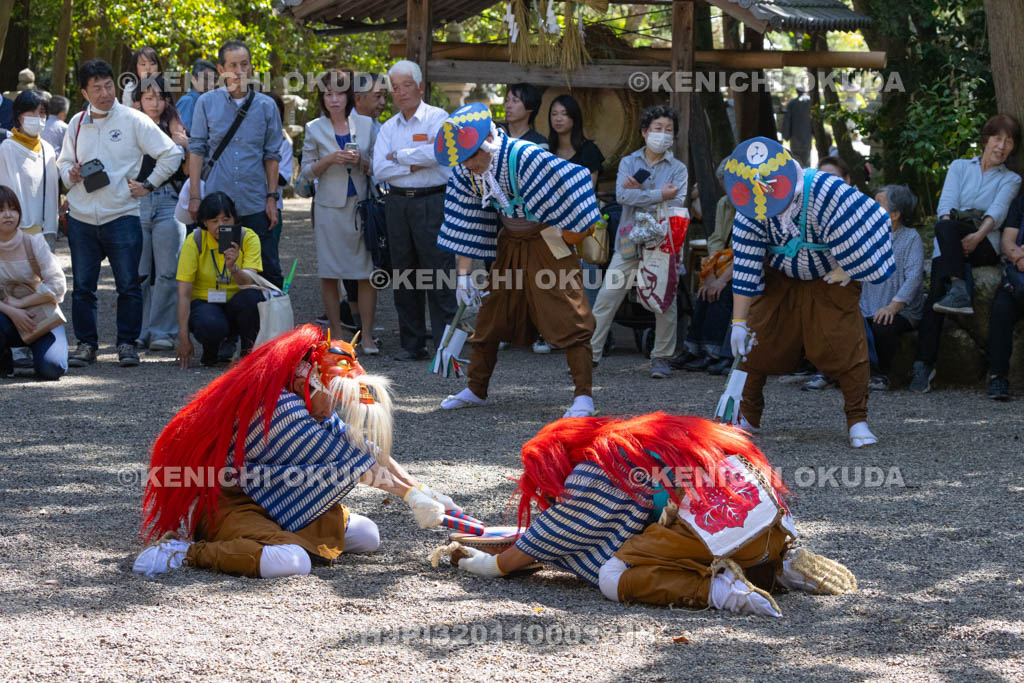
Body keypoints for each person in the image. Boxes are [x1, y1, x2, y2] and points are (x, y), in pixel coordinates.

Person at [441, 413, 856, 616]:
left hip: (717, 533)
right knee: (670, 538)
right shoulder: (643, 439)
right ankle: (779, 565)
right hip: (768, 523)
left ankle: (718, 589)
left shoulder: (597, 468)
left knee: (614, 576)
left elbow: (555, 532)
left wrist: (490, 564)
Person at [134, 325, 460, 579]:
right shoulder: (281, 409)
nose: (334, 408)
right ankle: (185, 552)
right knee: (291, 561)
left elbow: (365, 448)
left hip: (274, 496)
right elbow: (357, 465)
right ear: (314, 381)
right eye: (333, 397)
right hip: (231, 504)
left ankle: (280, 535)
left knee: (367, 536)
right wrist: (411, 497)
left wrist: (421, 490)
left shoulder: (307, 398)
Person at [435, 103, 602, 418]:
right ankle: (476, 388)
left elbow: (574, 184)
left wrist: (574, 229)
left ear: (486, 143)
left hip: (548, 238)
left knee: (570, 312)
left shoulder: (526, 157)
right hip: (510, 242)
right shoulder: (465, 170)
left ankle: (583, 397)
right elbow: (465, 224)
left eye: (471, 156)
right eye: (461, 158)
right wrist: (463, 276)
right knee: (491, 313)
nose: (467, 164)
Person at [725, 137, 894, 448]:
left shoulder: (826, 190)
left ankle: (857, 420)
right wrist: (738, 323)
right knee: (755, 337)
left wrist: (850, 267)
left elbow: (876, 221)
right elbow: (746, 266)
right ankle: (747, 416)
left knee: (845, 341)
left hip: (831, 272)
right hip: (779, 273)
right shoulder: (748, 204)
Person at [56, 59, 183, 368]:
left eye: (108, 85)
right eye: (96, 88)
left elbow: (172, 153)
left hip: (123, 215)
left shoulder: (133, 119)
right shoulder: (76, 123)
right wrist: (69, 173)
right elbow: (62, 165)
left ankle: (127, 344)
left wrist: (148, 185)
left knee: (129, 284)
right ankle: (87, 344)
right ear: (84, 92)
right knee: (83, 288)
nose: (104, 93)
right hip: (82, 217)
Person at [910, 114, 1022, 393]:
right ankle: (924, 364)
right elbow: (946, 204)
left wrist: (977, 236)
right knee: (936, 293)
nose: (1002, 145)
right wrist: (953, 233)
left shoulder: (1011, 178)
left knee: (946, 248)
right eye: (997, 138)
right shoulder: (960, 166)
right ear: (986, 140)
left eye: (1008, 141)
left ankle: (958, 287)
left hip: (984, 243)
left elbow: (997, 210)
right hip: (951, 242)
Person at [589, 105, 686, 379]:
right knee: (608, 295)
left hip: (662, 242)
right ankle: (590, 354)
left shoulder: (678, 168)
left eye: (668, 130)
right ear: (644, 132)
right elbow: (622, 197)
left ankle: (661, 357)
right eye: (657, 129)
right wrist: (657, 194)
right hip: (629, 239)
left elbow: (677, 201)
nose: (663, 134)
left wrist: (642, 191)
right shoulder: (629, 163)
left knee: (665, 301)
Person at [372, 60, 455, 361]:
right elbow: (379, 168)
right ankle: (412, 343)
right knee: (404, 274)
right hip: (397, 204)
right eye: (395, 87)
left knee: (438, 273)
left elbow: (439, 152)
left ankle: (446, 347)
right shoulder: (388, 127)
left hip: (433, 201)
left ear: (420, 86)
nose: (401, 92)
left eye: (407, 85)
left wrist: (401, 156)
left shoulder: (438, 117)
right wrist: (414, 161)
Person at [188, 40, 284, 287]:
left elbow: (272, 155)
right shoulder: (206, 103)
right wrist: (196, 197)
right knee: (223, 270)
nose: (240, 71)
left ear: (251, 67)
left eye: (244, 64)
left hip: (255, 202)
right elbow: (196, 150)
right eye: (233, 65)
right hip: (220, 206)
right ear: (221, 70)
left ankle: (269, 324)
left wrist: (272, 197)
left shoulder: (266, 106)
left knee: (266, 270)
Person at [302, 70, 378, 353]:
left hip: (361, 207)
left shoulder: (368, 124)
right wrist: (329, 159)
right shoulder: (313, 128)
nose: (334, 99)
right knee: (330, 272)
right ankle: (336, 335)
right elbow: (306, 173)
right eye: (328, 94)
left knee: (366, 272)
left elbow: (379, 168)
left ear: (349, 96)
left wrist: (362, 160)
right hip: (328, 207)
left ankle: (367, 336)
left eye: (339, 93)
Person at [132, 76, 189, 351]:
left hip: (169, 200)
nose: (154, 103)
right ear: (139, 100)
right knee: (138, 272)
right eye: (148, 97)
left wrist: (186, 143)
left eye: (159, 97)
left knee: (168, 271)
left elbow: (189, 170)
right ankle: (138, 331)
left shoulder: (175, 126)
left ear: (167, 99)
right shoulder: (129, 124)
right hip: (136, 201)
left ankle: (162, 331)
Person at [175, 192, 263, 368]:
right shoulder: (195, 241)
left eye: (226, 220)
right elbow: (184, 293)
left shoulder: (248, 238)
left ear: (234, 219)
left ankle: (248, 355)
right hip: (205, 302)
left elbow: (250, 283)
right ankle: (211, 350)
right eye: (214, 221)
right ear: (204, 223)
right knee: (210, 323)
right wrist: (183, 340)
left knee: (253, 298)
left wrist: (234, 268)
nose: (220, 226)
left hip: (237, 301)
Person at [860, 185, 924, 391]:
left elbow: (914, 278)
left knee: (882, 325)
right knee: (853, 323)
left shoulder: (911, 238)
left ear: (895, 214)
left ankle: (880, 374)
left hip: (902, 309)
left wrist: (892, 307)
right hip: (866, 304)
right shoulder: (866, 234)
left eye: (879, 203)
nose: (871, 206)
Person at [0, 186, 67, 380]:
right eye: (1, 210)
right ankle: (5, 360)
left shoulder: (33, 241)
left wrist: (21, 304)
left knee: (53, 368)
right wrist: (13, 311)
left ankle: (41, 352)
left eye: (12, 208)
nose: (8, 215)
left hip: (40, 315)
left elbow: (58, 285)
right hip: (5, 315)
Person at [677, 157, 734, 375]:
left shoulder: (753, 207)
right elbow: (716, 238)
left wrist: (721, 279)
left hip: (743, 265)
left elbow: (747, 252)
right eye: (724, 182)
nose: (727, 187)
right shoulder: (724, 203)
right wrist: (711, 272)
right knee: (703, 290)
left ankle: (714, 351)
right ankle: (694, 348)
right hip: (723, 260)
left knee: (723, 292)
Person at [0, 89, 59, 251]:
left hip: (45, 232)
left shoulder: (48, 150)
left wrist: (51, 227)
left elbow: (53, 192)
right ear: (19, 116)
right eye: (31, 112)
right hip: (15, 232)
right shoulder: (7, 148)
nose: (37, 118)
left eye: (41, 113)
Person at [986, 192, 1024, 400]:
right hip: (1018, 280)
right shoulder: (1020, 202)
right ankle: (998, 377)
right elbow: (1008, 241)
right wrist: (1017, 255)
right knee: (1001, 311)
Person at [175, 59, 217, 132]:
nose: (211, 83)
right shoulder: (188, 101)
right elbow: (183, 134)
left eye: (214, 80)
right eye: (207, 78)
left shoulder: (207, 102)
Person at [503, 83, 547, 149]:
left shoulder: (539, 143)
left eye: (515, 101)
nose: (508, 105)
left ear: (530, 107)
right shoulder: (495, 131)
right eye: (507, 100)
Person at [781, 86, 812, 167]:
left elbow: (787, 120)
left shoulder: (792, 103)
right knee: (806, 159)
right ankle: (807, 177)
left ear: (797, 91)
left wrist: (786, 135)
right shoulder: (810, 102)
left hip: (795, 137)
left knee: (796, 160)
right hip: (807, 136)